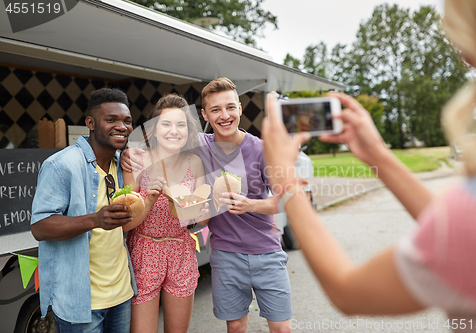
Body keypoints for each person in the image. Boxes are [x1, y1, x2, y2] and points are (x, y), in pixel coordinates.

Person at [261, 0, 476, 330]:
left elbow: (349, 291)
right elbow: (461, 229)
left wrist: (286, 181)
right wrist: (379, 157)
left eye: (462, 38)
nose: (461, 55)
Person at [122, 78, 292, 333]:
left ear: (240, 108)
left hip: (263, 249)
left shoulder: (256, 150)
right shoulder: (194, 147)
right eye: (215, 110)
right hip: (221, 252)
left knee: (281, 327)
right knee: (235, 326)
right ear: (204, 114)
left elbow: (287, 198)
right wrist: (127, 151)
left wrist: (248, 206)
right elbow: (128, 219)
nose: (224, 115)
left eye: (230, 107)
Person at [31, 88, 137, 332]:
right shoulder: (61, 165)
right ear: (90, 123)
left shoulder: (124, 164)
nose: (122, 126)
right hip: (80, 301)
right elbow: (39, 227)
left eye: (127, 121)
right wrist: (95, 219)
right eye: (111, 119)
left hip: (121, 294)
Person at [122, 94, 209, 333]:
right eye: (166, 124)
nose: (174, 130)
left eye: (181, 124)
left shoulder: (196, 162)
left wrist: (204, 209)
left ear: (189, 130)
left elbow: (201, 221)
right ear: (154, 129)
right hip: (144, 252)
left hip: (181, 250)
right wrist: (149, 200)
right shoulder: (137, 160)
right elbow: (125, 225)